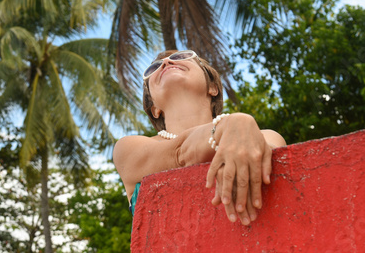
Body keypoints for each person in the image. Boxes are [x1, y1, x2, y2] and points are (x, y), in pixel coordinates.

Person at [113, 50, 286, 226]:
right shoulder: (129, 148)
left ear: (213, 87)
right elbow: (180, 153)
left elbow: (277, 165)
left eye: (180, 57)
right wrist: (226, 128)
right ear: (154, 108)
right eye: (154, 67)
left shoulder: (266, 135)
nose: (166, 62)